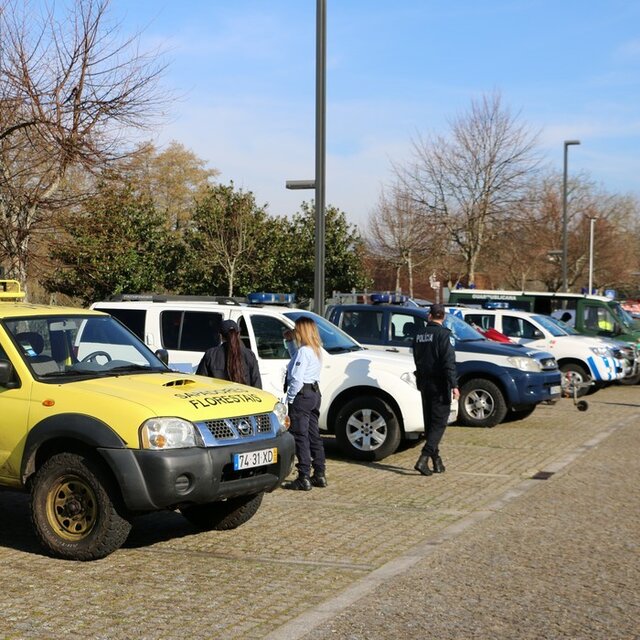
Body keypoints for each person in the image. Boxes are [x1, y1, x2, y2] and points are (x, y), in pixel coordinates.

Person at [412, 303, 459, 476]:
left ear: (429, 316)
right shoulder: (444, 335)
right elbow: (448, 362)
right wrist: (454, 385)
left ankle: (436, 461)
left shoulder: (419, 335)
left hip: (424, 383)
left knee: (430, 423)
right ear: (443, 317)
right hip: (440, 384)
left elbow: (416, 357)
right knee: (439, 423)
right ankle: (423, 458)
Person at [281, 317, 326, 491]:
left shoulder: (304, 351)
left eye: (297, 329)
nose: (295, 331)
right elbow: (296, 358)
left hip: (302, 395)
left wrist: (290, 398)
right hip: (314, 394)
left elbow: (297, 377)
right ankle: (319, 473)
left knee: (300, 435)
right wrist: (290, 342)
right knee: (313, 434)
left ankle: (303, 476)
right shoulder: (316, 349)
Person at [196, 319, 262, 388]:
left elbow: (199, 382)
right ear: (238, 334)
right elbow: (257, 385)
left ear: (220, 336)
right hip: (244, 394)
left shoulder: (210, 354)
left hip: (217, 394)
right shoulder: (249, 355)